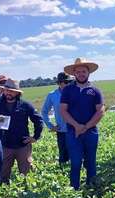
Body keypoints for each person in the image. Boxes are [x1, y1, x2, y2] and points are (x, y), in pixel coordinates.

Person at [60, 58, 105, 190]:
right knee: (75, 162)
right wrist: (76, 126)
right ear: (74, 73)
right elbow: (63, 110)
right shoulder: (68, 90)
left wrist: (86, 127)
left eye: (83, 71)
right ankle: (75, 189)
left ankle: (91, 188)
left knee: (91, 162)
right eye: (78, 71)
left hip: (90, 132)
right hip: (72, 132)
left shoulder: (95, 91)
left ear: (88, 73)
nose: (81, 74)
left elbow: (100, 111)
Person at [0, 79, 43, 183]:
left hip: (23, 145)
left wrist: (35, 137)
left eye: (11, 91)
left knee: (26, 175)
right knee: (3, 175)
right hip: (5, 145)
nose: (8, 93)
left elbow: (38, 120)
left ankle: (25, 196)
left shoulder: (25, 105)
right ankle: (4, 197)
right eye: (6, 90)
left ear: (17, 92)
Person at [42, 72, 74, 165]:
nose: (69, 84)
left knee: (77, 156)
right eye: (66, 82)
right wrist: (50, 126)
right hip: (62, 131)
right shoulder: (52, 95)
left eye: (70, 82)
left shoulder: (75, 93)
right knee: (63, 158)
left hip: (76, 130)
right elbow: (44, 112)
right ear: (59, 83)